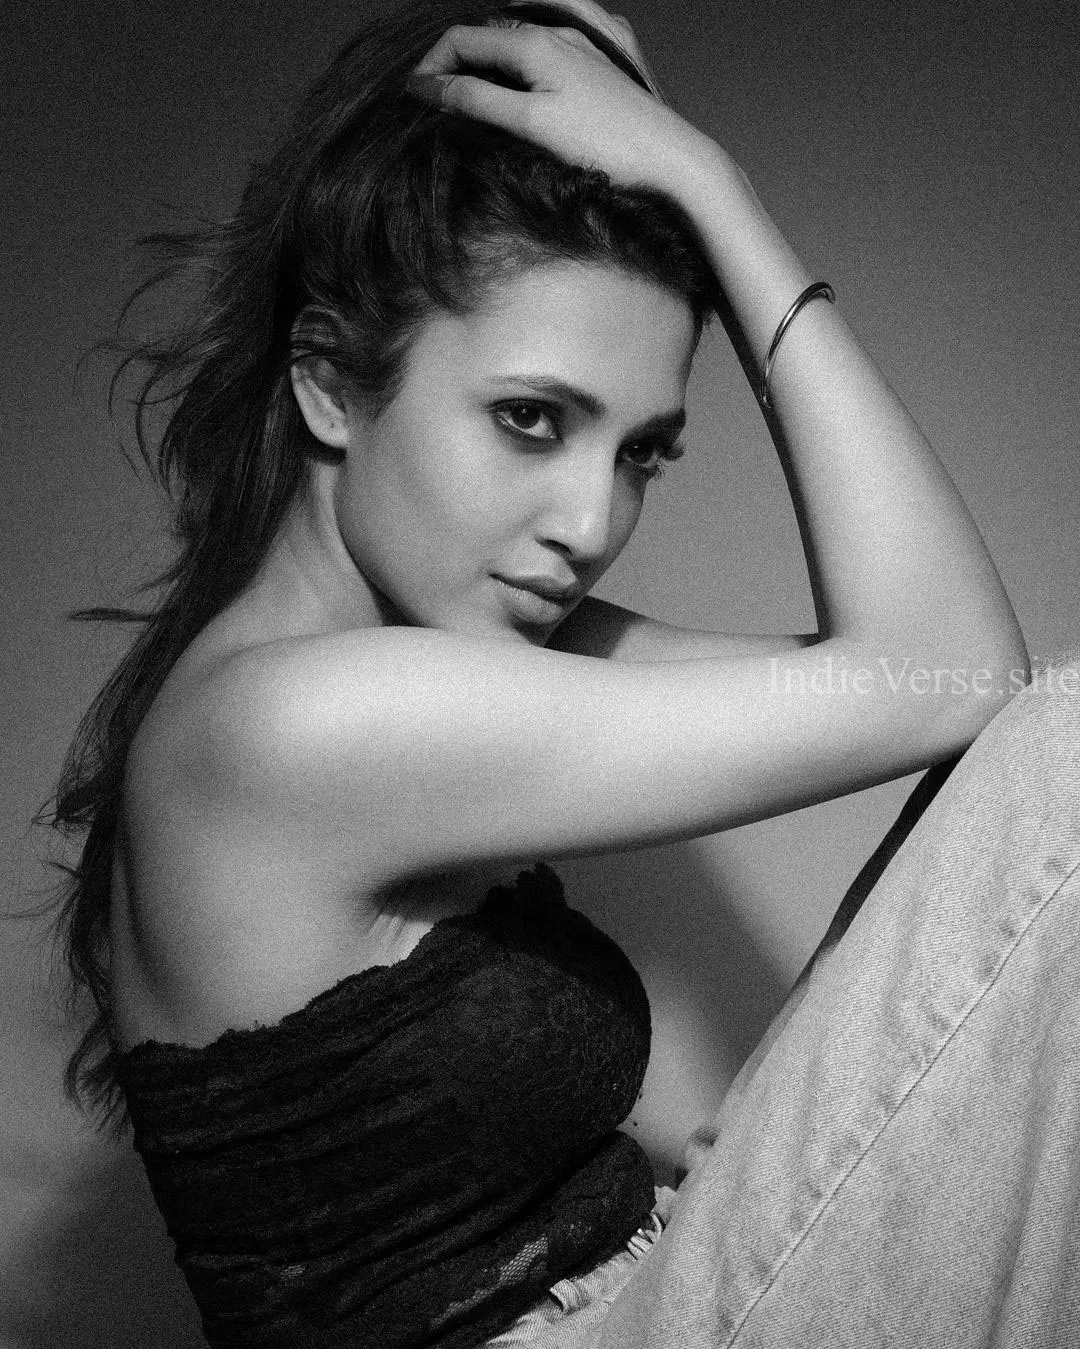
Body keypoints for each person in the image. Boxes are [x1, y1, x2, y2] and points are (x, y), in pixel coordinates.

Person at [46, 0, 1080, 1345]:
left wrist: (695, 198)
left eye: (641, 452)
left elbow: (935, 686)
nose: (589, 525)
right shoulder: (289, 724)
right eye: (531, 419)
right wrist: (715, 190)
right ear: (328, 383)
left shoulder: (429, 658)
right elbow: (954, 675)